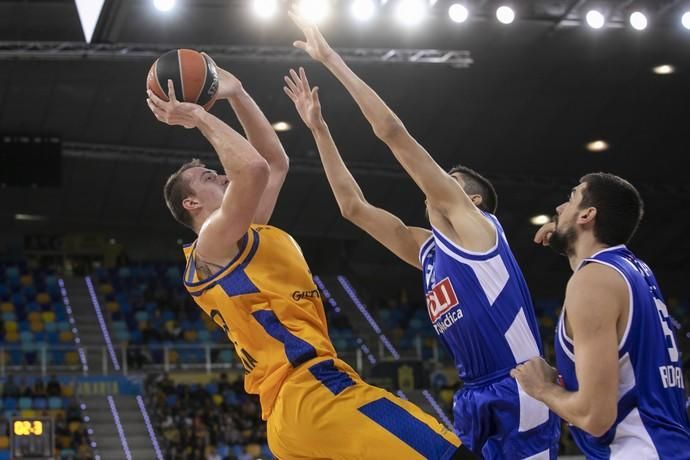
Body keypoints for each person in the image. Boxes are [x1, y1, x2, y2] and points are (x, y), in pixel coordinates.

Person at [147, 55, 472, 459]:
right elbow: (251, 168)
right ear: (192, 203)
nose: (223, 176)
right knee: (449, 453)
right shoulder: (211, 242)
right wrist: (197, 115)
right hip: (310, 391)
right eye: (210, 178)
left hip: (295, 411)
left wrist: (237, 92)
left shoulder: (242, 233)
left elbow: (274, 163)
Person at [285, 12, 560, 459]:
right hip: (473, 392)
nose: (438, 184)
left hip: (518, 385)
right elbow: (352, 208)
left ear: (472, 202)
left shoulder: (480, 232)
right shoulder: (429, 250)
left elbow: (391, 132)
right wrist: (319, 129)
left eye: (451, 180)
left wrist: (331, 58)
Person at [511, 173, 690, 458]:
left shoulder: (593, 280)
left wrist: (542, 389)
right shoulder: (634, 271)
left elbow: (596, 417)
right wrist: (567, 242)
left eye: (570, 199)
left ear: (587, 215)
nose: (559, 209)